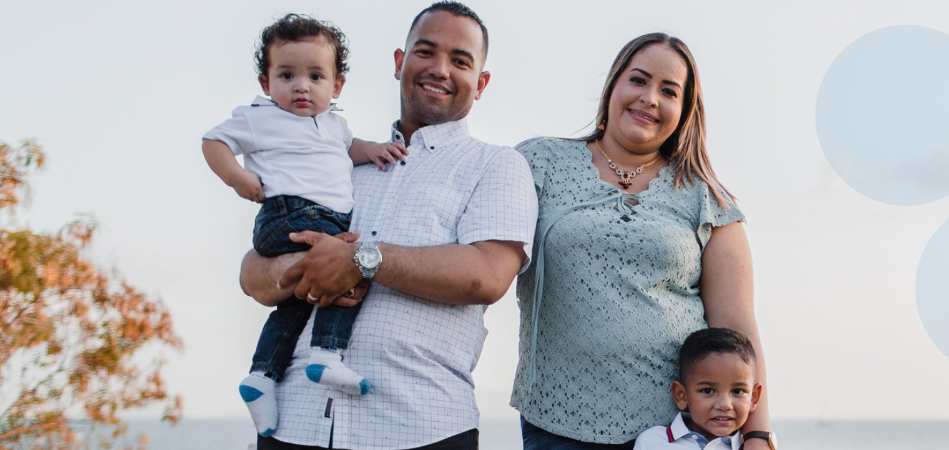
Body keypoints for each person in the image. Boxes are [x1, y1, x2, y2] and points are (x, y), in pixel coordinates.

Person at [237, 2, 538, 449]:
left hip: (420, 426)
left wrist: (360, 261)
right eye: (425, 52)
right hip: (294, 424)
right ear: (400, 62)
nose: (439, 69)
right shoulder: (337, 161)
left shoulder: (497, 165)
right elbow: (252, 274)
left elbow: (486, 275)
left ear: (481, 83)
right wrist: (313, 265)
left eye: (460, 61)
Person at [512, 33, 776, 449]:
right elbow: (483, 256)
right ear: (613, 86)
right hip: (559, 421)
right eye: (638, 80)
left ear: (684, 109)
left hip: (681, 433)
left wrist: (758, 433)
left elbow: (737, 326)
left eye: (669, 91)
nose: (650, 98)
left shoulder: (709, 200)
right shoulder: (539, 163)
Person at [202, 13, 409, 437]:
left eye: (316, 76)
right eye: (287, 75)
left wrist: (377, 151)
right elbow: (213, 142)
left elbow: (351, 149)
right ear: (266, 83)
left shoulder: (335, 124)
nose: (301, 86)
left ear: (337, 86)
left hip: (320, 218)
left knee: (297, 301)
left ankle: (262, 376)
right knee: (341, 266)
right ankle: (326, 355)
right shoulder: (260, 116)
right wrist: (238, 178)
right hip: (287, 213)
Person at [632, 328, 765, 450]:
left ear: (753, 397)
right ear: (681, 395)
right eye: (708, 391)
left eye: (738, 391)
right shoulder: (652, 442)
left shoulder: (754, 447)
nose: (724, 405)